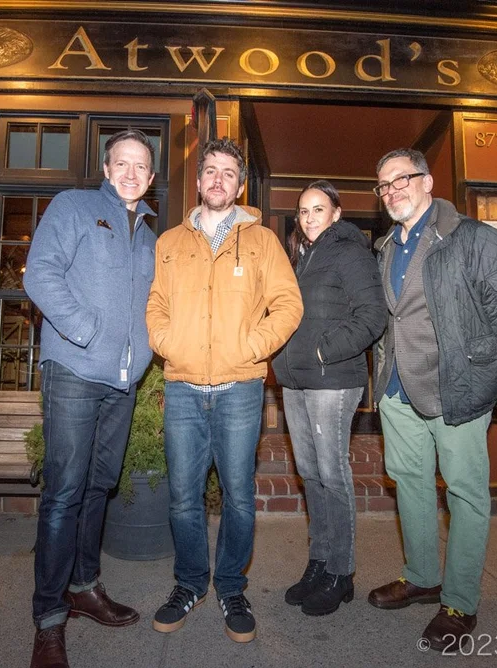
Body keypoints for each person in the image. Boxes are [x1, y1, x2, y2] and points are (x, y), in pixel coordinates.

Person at [367, 148, 497, 652]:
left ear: (427, 181)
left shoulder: (472, 237)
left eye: (401, 179)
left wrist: (476, 363)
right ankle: (421, 577)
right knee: (410, 484)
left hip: (455, 389)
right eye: (384, 184)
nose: (391, 190)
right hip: (397, 390)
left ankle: (459, 602)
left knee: (464, 493)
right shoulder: (384, 247)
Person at [146, 137, 303, 643]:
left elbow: (289, 304)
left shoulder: (263, 241)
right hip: (184, 388)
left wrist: (253, 347)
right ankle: (190, 583)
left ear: (239, 186)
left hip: (240, 389)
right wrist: (167, 343)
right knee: (183, 497)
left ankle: (232, 586)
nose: (218, 179)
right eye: (210, 170)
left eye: (228, 173)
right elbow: (156, 304)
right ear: (199, 181)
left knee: (238, 496)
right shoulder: (170, 243)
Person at [23, 129, 158, 668]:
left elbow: (153, 306)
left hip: (123, 382)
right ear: (106, 168)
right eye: (121, 162)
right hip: (75, 371)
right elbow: (40, 274)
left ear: (151, 177)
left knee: (100, 485)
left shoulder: (149, 236)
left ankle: (84, 586)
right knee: (64, 492)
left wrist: (144, 352)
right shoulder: (74, 207)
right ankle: (49, 617)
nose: (130, 172)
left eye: (140, 166)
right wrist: (86, 331)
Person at [271, 181, 385, 616]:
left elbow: (372, 316)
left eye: (318, 209)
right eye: (303, 211)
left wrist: (322, 351)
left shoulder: (350, 252)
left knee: (332, 475)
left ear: (336, 213)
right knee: (310, 474)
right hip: (297, 381)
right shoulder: (304, 256)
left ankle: (341, 571)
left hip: (332, 379)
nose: (309, 217)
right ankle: (319, 562)